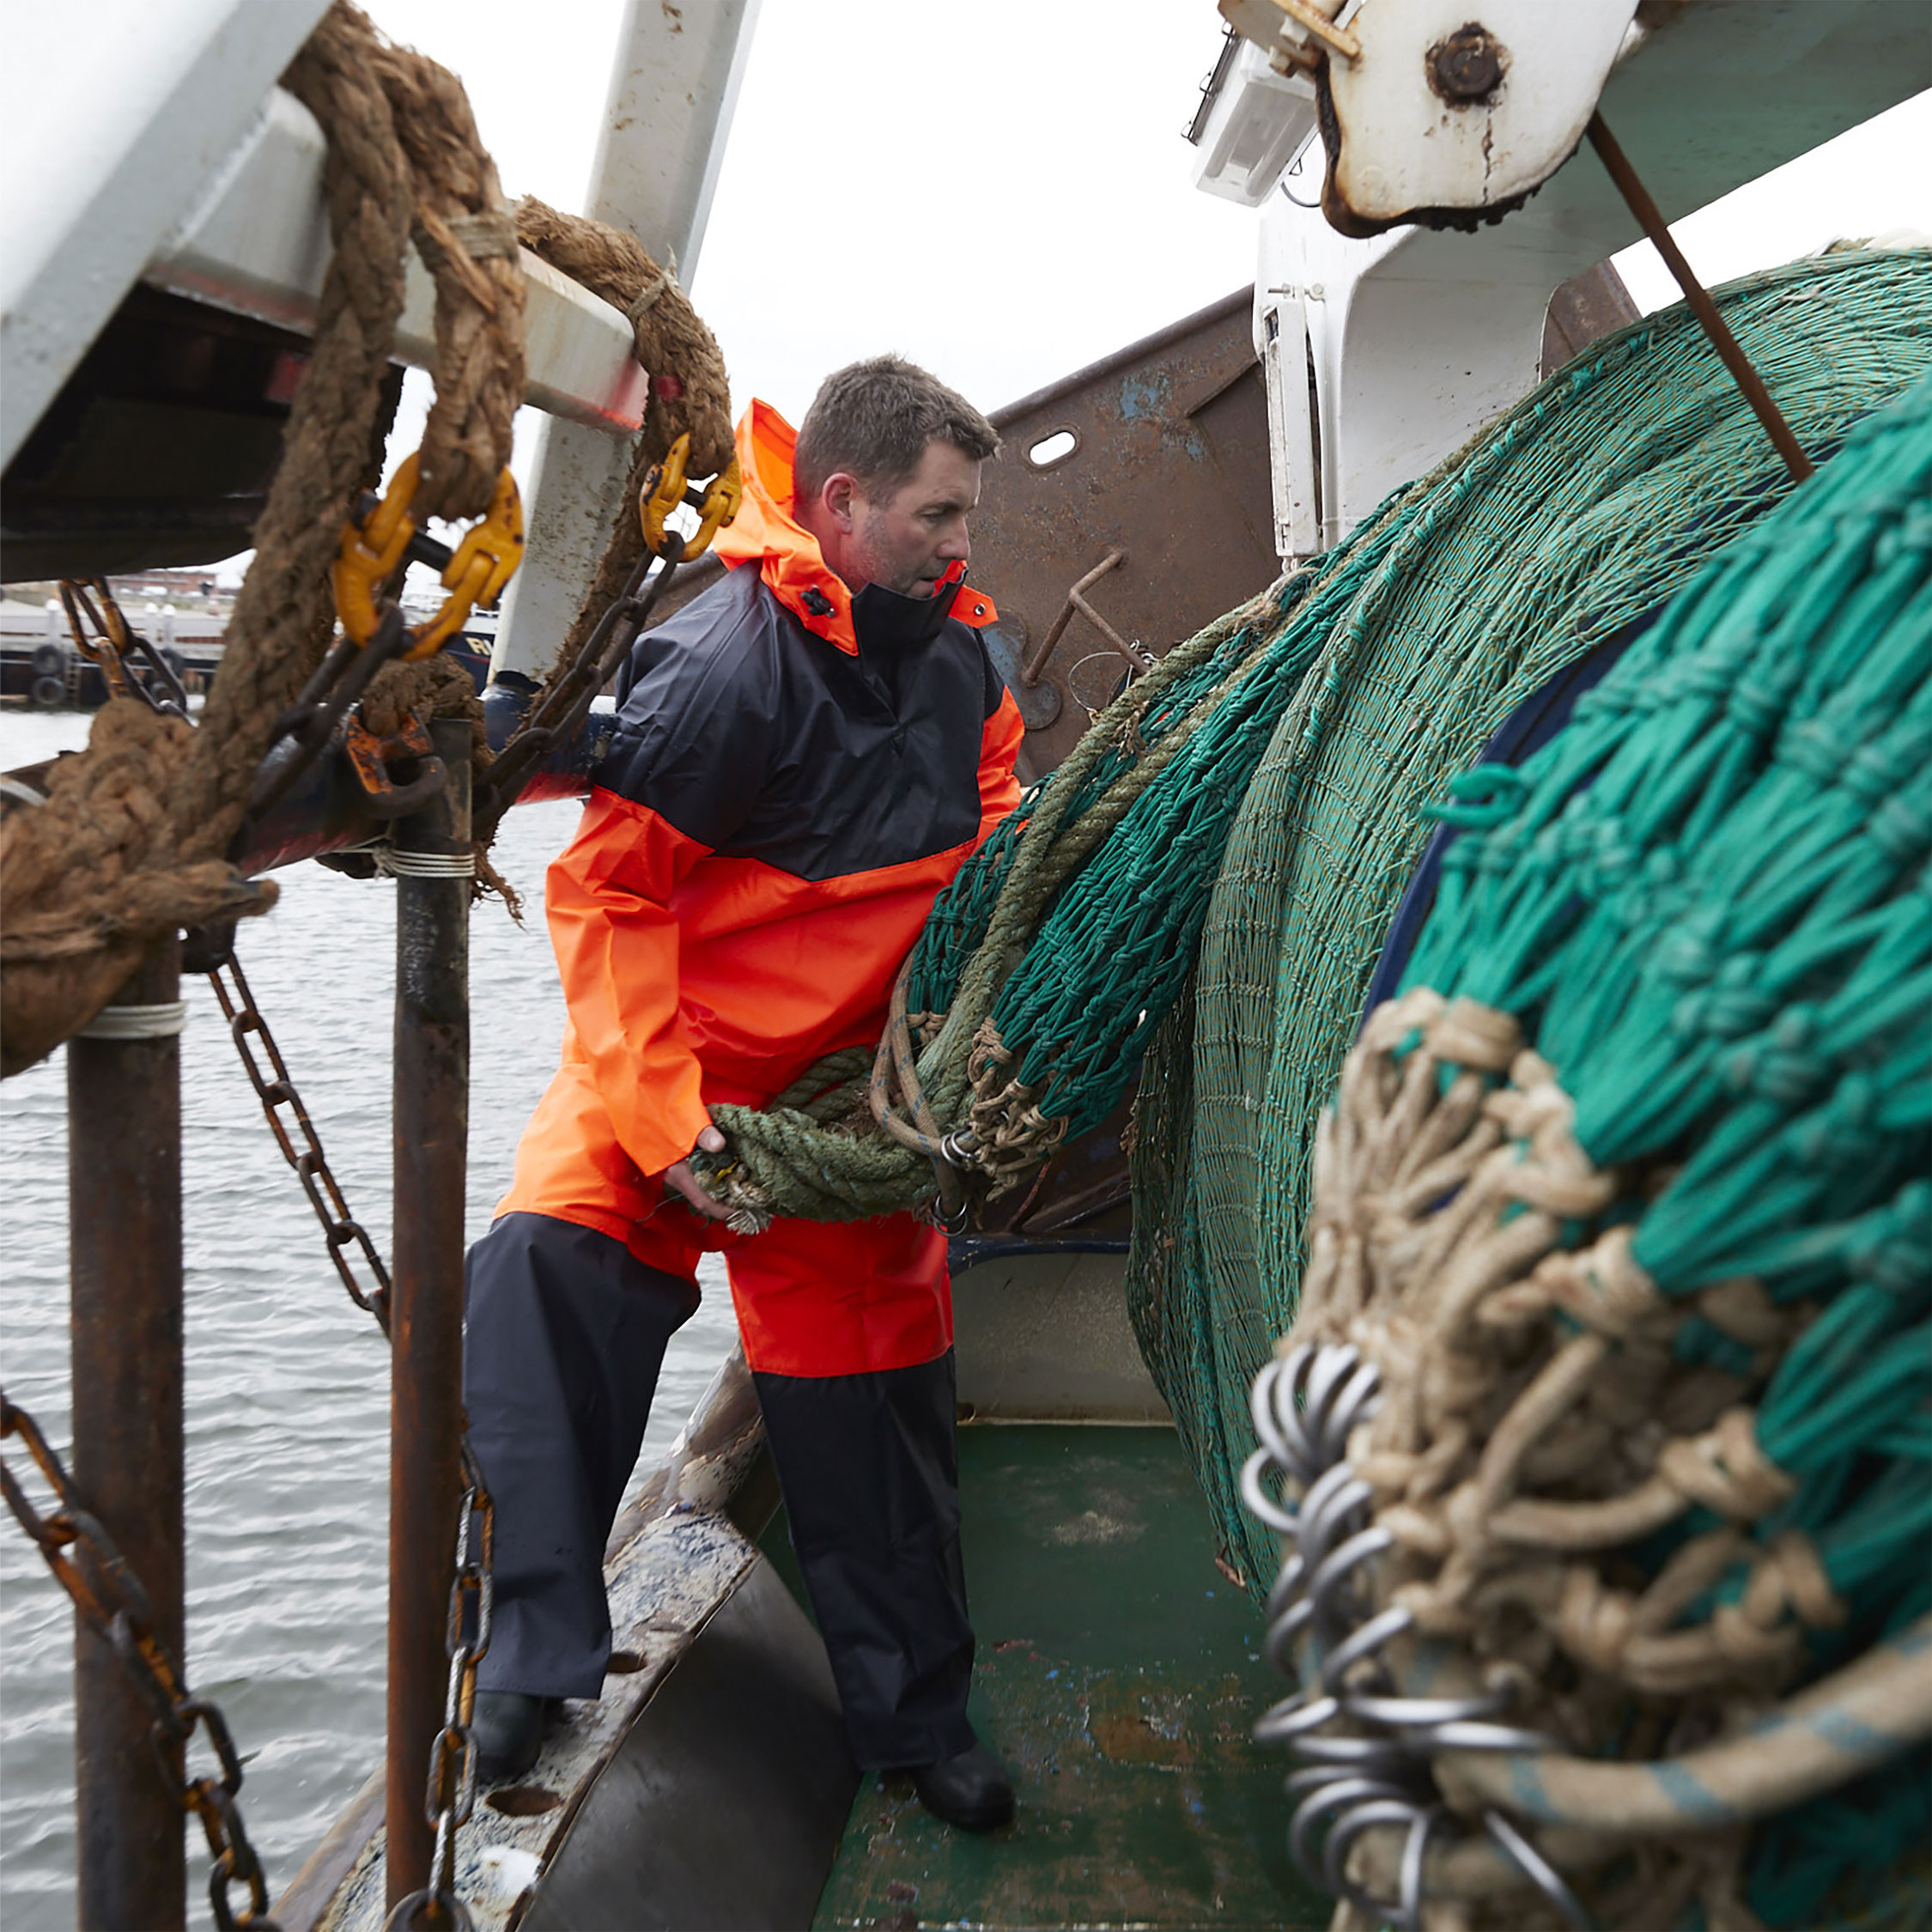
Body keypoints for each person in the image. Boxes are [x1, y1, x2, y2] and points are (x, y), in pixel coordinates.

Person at [462, 355, 1024, 1831]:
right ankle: (527, 1656)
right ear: (840, 504)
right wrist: (669, 1127)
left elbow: (998, 829)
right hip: (673, 1068)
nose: (961, 543)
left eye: (966, 515)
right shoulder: (722, 666)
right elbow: (606, 896)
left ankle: (916, 1721)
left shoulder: (967, 662)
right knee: (540, 1279)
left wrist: (948, 1053)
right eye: (938, 515)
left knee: (877, 1409)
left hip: (843, 1108)